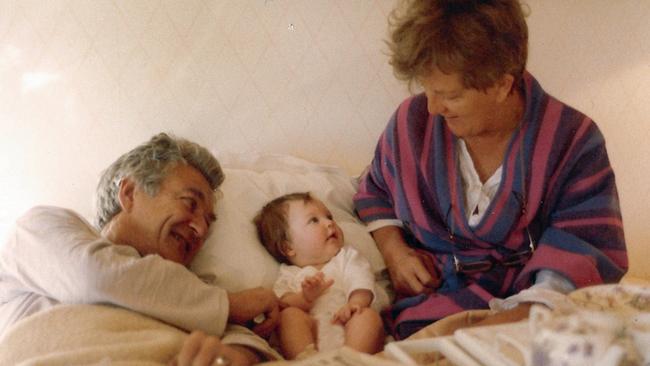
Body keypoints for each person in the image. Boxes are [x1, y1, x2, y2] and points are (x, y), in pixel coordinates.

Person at [353, 0, 628, 339]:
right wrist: (395, 252)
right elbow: (374, 190)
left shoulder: (572, 140)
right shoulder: (412, 124)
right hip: (428, 308)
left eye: (449, 95)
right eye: (427, 90)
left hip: (532, 312)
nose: (433, 107)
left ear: (501, 84)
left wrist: (487, 332)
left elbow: (584, 247)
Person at [0, 133, 282, 366]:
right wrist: (229, 304)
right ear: (129, 193)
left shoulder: (192, 293)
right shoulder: (42, 227)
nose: (201, 229)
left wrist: (234, 357)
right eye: (189, 203)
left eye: (208, 222)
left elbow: (244, 339)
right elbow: (97, 276)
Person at [254, 192, 385, 359]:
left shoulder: (346, 257)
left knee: (366, 316)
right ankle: (306, 360)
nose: (330, 222)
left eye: (329, 216)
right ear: (288, 248)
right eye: (314, 220)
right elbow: (282, 303)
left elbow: (361, 280)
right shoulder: (288, 274)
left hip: (348, 327)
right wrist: (305, 298)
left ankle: (352, 360)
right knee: (289, 316)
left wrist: (354, 304)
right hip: (312, 338)